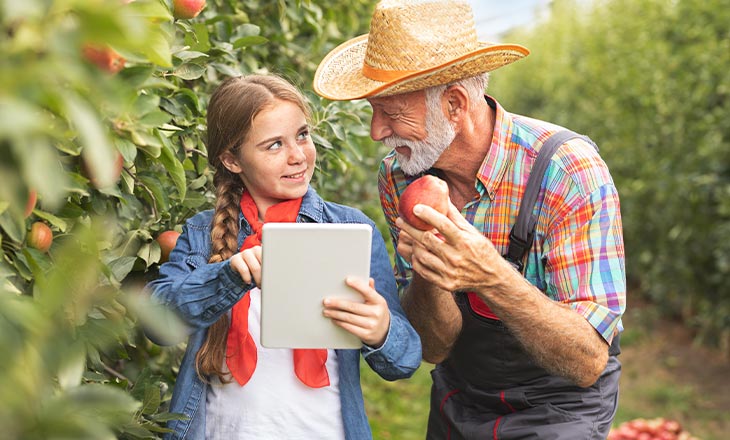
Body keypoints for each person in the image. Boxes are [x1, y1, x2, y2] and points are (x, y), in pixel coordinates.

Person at [313, 0, 626, 439]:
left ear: (455, 104)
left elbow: (588, 360)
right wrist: (431, 269)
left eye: (392, 112)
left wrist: (490, 275)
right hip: (460, 399)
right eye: (373, 110)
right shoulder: (400, 177)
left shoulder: (567, 172)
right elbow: (436, 347)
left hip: (560, 409)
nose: (376, 131)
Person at [145, 73, 422, 440]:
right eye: (274, 145)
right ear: (232, 159)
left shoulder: (349, 230)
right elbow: (157, 321)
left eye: (302, 135)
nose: (298, 156)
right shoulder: (201, 233)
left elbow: (404, 361)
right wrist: (226, 277)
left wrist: (381, 330)